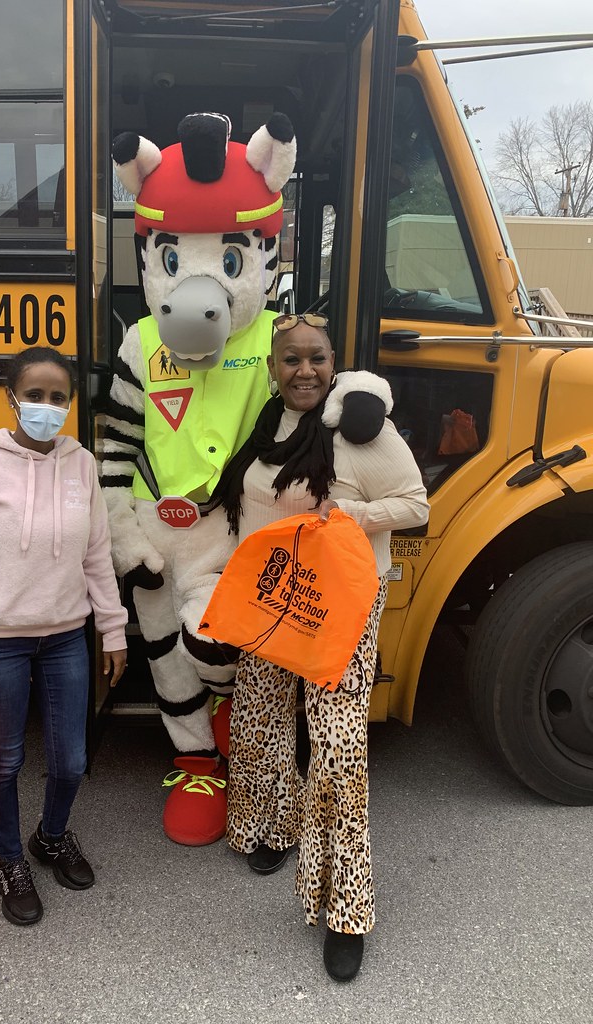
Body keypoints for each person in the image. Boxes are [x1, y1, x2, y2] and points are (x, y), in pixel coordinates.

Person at [218, 312, 429, 981]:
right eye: (290, 359)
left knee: (337, 750)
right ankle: (273, 829)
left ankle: (347, 909)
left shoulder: (360, 431)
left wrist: (351, 517)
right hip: (272, 603)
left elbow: (416, 503)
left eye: (317, 358)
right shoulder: (267, 425)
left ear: (334, 362)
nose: (304, 370)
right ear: (273, 366)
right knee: (258, 722)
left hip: (337, 609)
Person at [0, 346, 127, 927]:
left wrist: (112, 631)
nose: (46, 407)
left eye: (58, 397)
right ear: (11, 398)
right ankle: (10, 861)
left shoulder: (82, 465)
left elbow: (96, 556)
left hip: (65, 636)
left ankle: (52, 838)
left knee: (70, 760)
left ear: (70, 402)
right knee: (6, 761)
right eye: (34, 395)